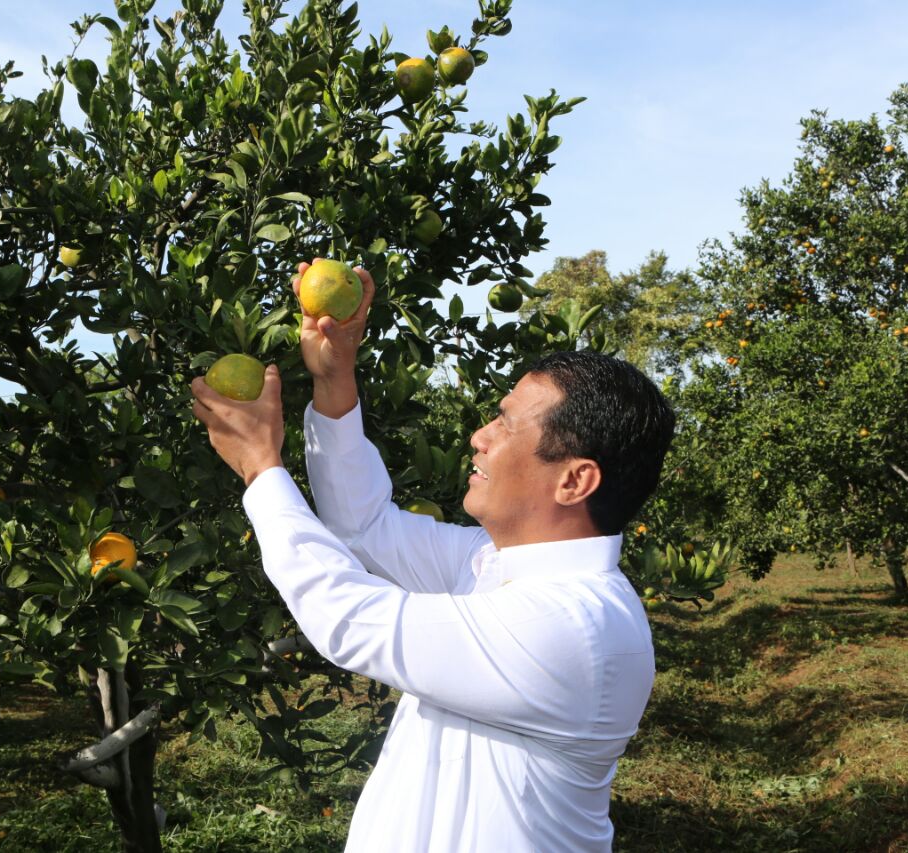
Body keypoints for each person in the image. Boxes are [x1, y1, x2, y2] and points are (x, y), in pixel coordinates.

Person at [191, 260, 676, 852]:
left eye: (505, 424)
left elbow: (350, 619)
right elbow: (365, 526)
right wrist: (335, 378)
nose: (480, 436)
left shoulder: (575, 627)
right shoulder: (491, 564)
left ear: (574, 481)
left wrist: (261, 469)